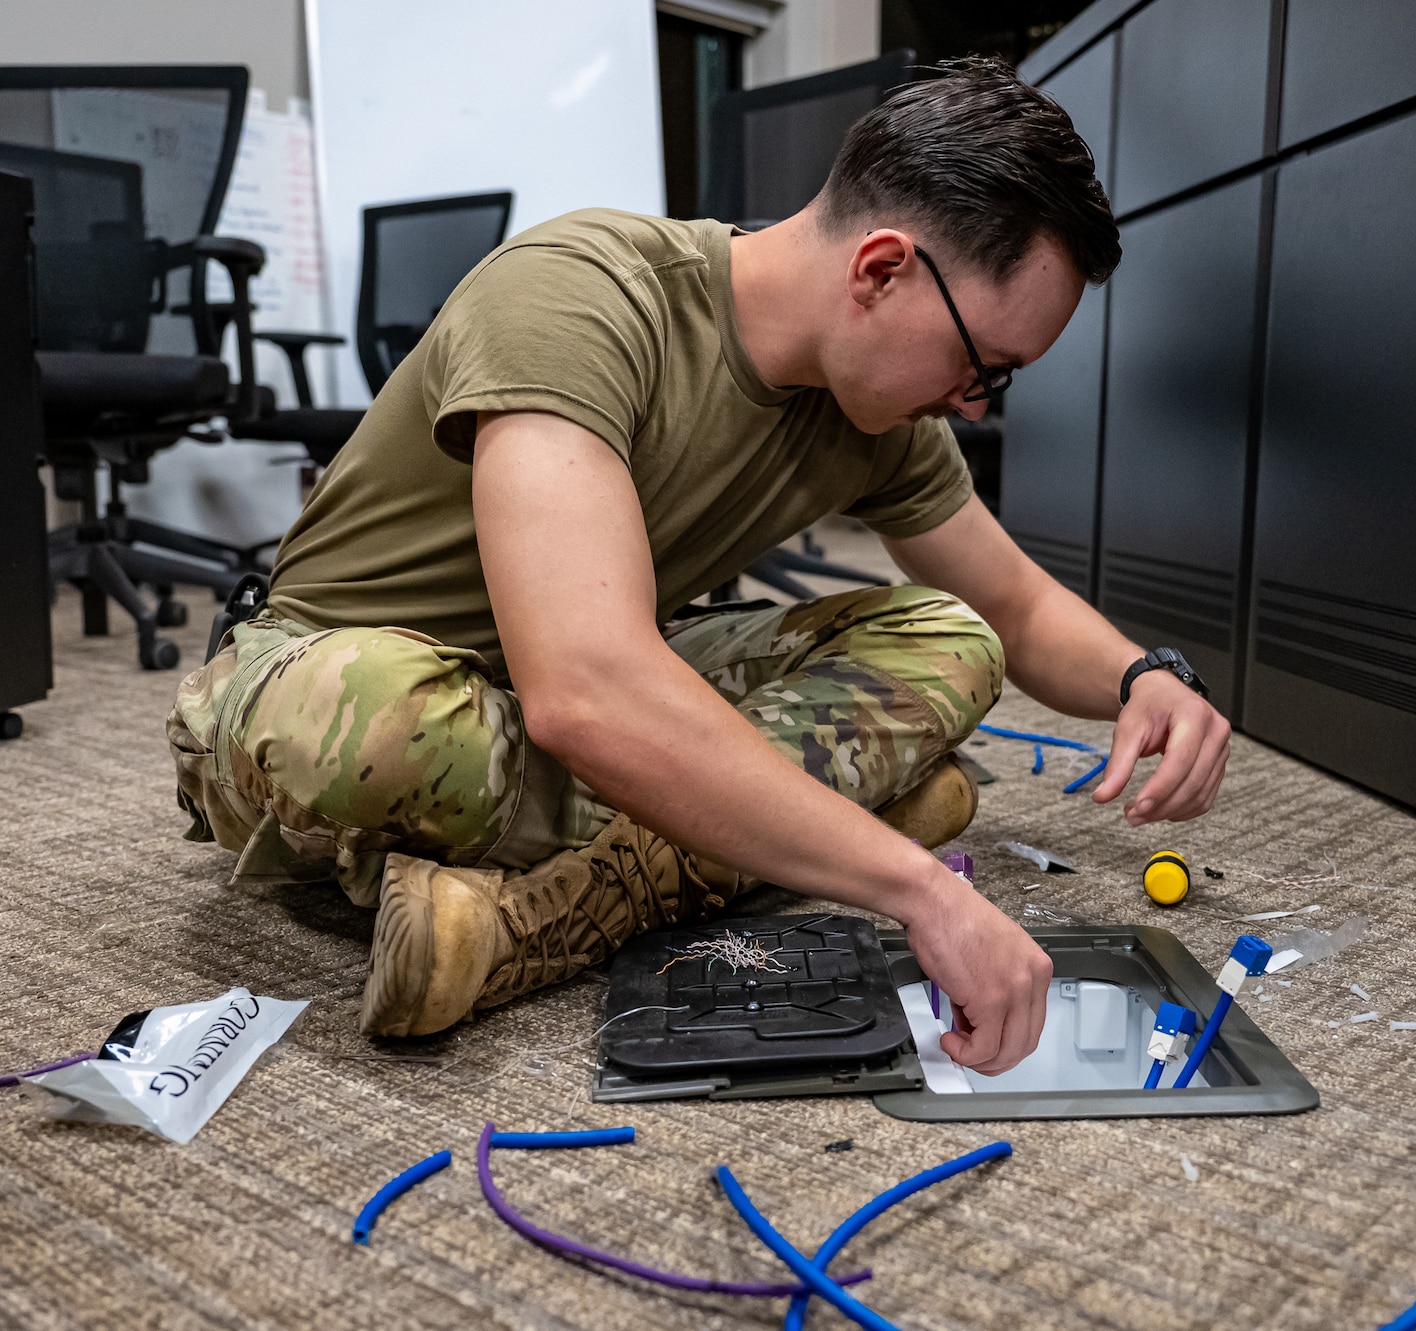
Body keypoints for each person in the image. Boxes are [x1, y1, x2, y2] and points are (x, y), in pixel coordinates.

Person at [167, 58, 1231, 1074]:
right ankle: (768, 836)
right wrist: (914, 884)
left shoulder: (879, 416)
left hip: (563, 702)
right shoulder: (581, 293)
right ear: (880, 269)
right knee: (367, 720)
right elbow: (584, 695)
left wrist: (1147, 676)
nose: (974, 405)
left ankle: (537, 913)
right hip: (339, 671)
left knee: (951, 640)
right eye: (980, 364)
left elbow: (1013, 604)